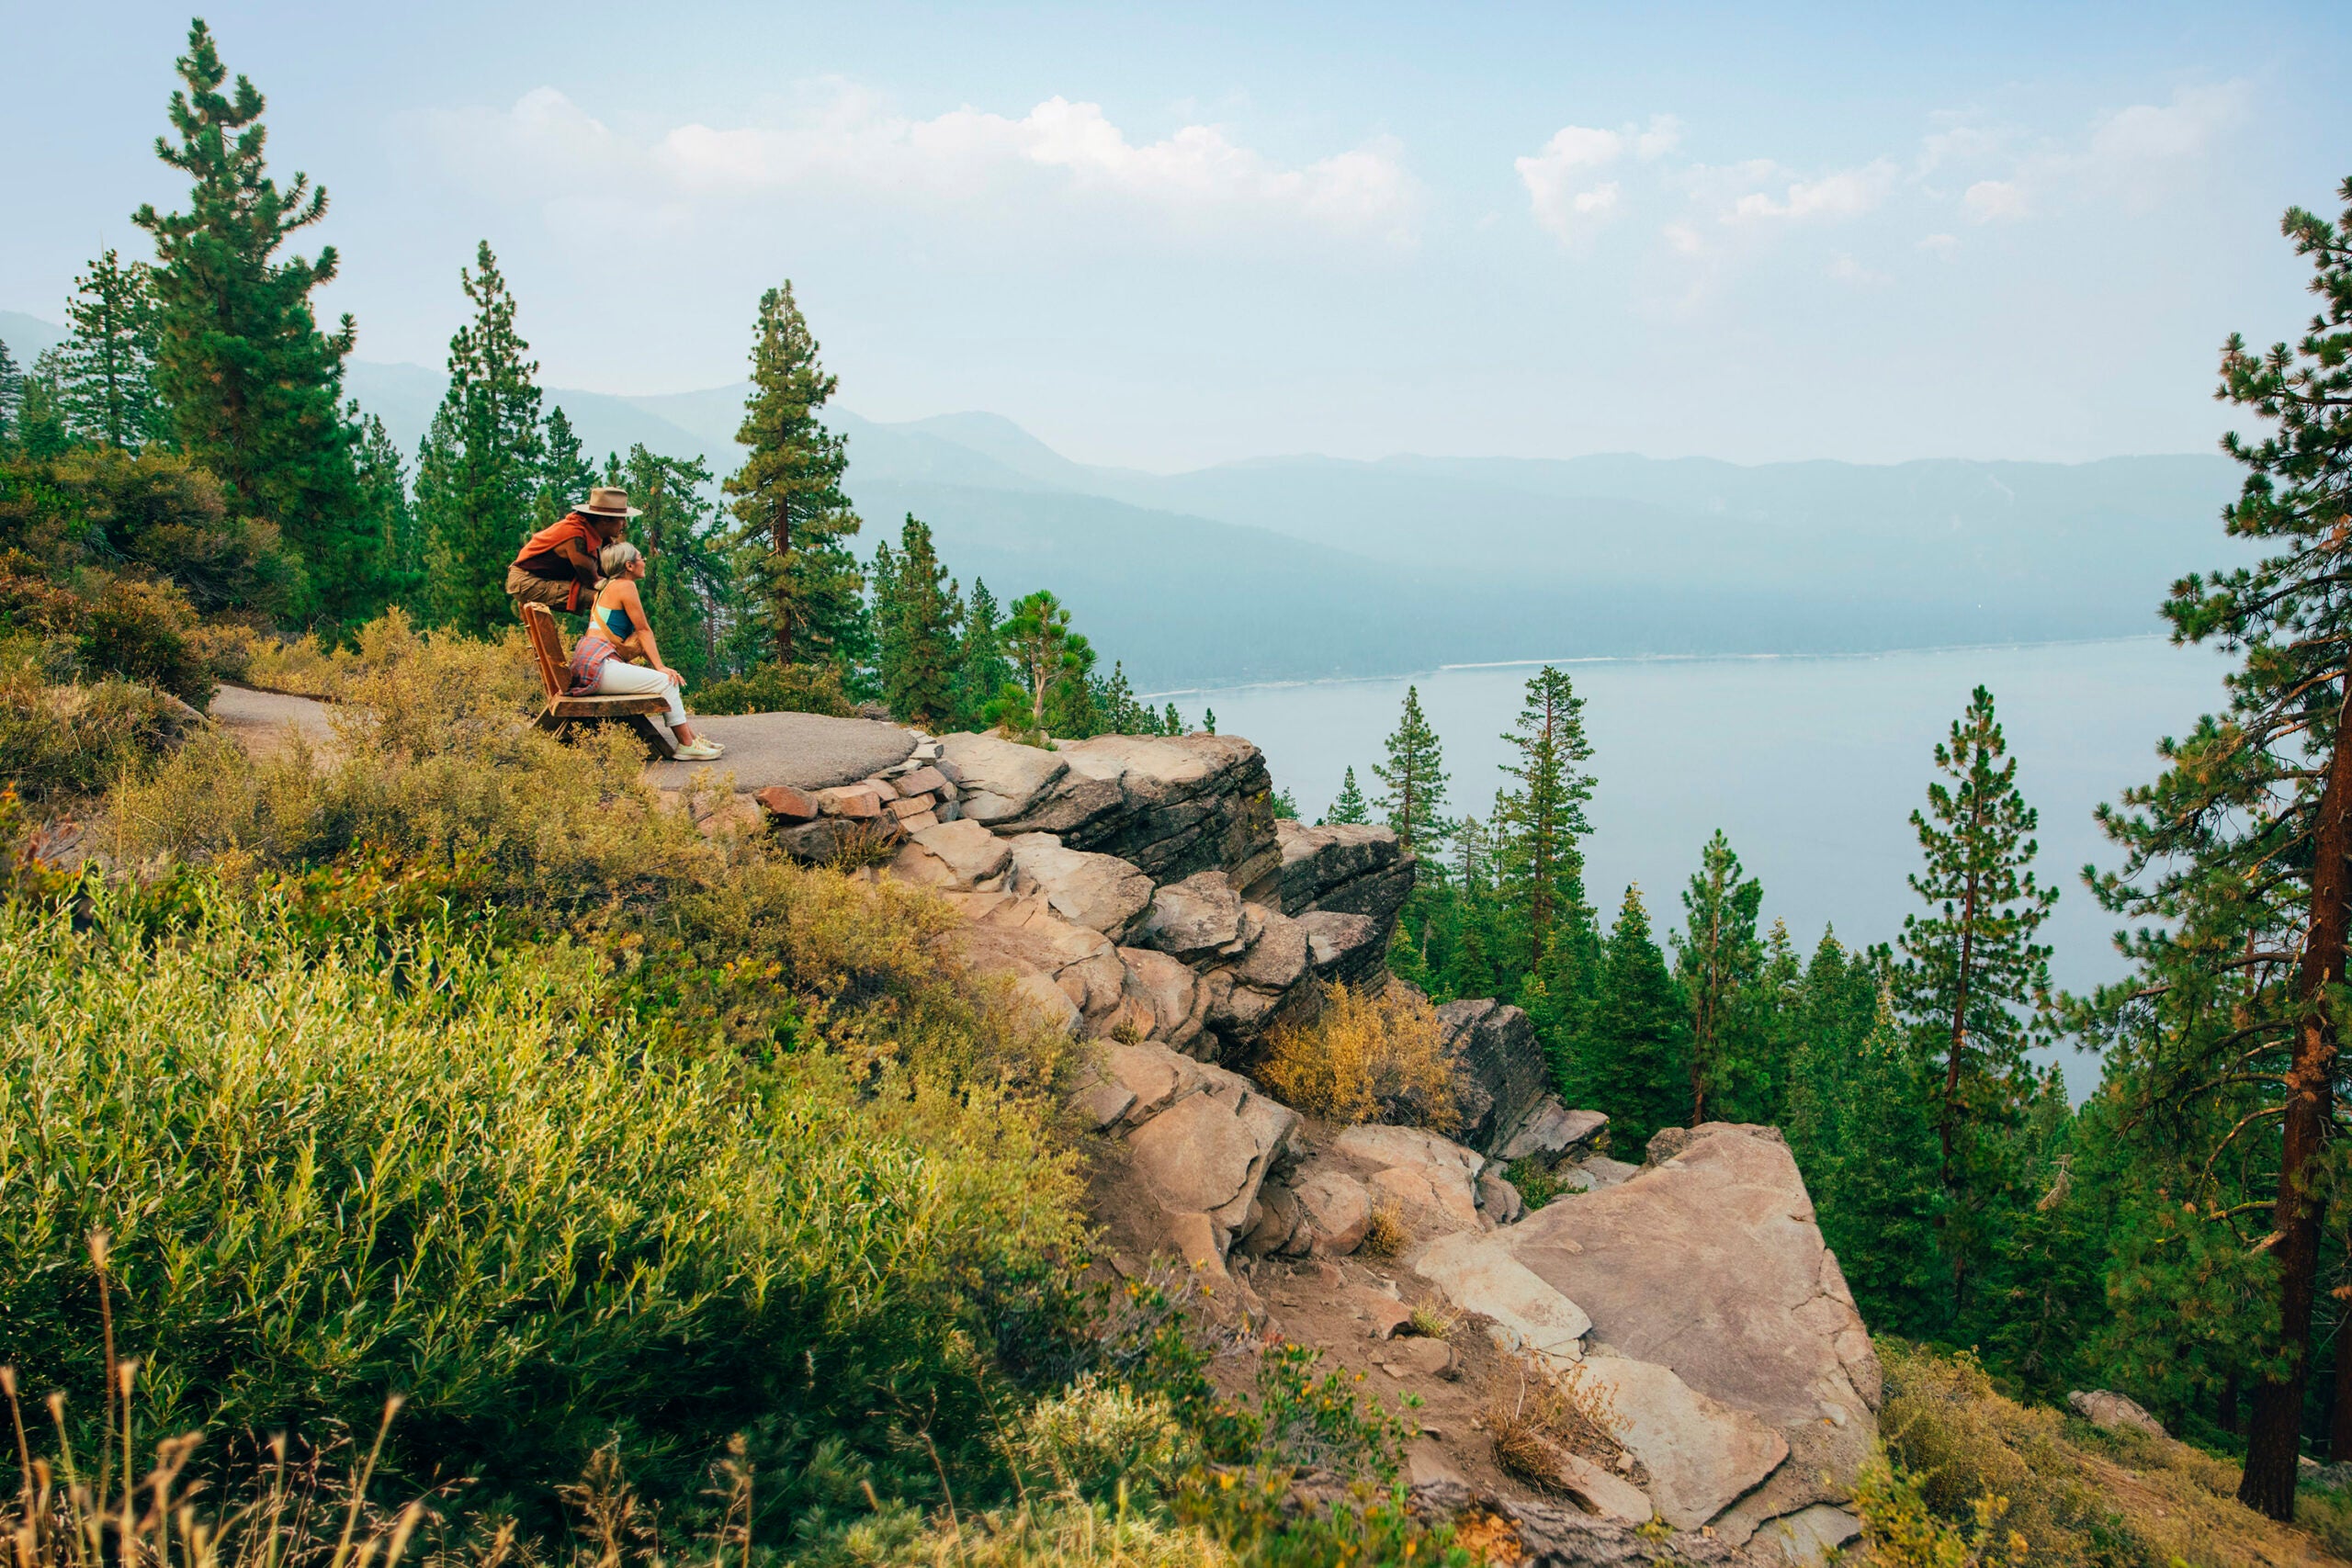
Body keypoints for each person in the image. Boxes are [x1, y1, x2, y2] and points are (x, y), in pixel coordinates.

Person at [567, 541, 725, 761]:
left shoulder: (605, 589)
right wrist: (660, 667)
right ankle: (687, 745)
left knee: (663, 679)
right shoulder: (625, 586)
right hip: (599, 668)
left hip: (592, 665)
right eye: (641, 557)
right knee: (667, 681)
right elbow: (643, 630)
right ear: (629, 566)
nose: (644, 561)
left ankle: (692, 739)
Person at [509, 486, 634, 616]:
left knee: (614, 595)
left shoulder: (596, 535)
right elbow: (594, 581)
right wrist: (623, 588)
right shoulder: (575, 536)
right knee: (607, 599)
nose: (625, 524)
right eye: (621, 519)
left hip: (538, 579)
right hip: (527, 581)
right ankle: (603, 636)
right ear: (604, 520)